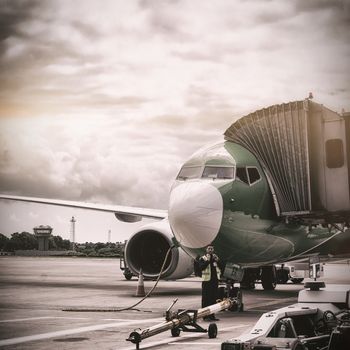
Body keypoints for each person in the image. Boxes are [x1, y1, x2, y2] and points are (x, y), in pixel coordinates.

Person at [198, 245, 221, 321]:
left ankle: (212, 316)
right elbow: (201, 268)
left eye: (211, 248)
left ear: (213, 250)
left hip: (214, 281)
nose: (210, 250)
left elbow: (220, 267)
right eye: (209, 248)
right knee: (205, 299)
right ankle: (205, 316)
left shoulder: (215, 258)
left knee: (213, 299)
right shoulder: (203, 258)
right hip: (206, 281)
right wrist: (207, 261)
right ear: (206, 250)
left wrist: (218, 261)